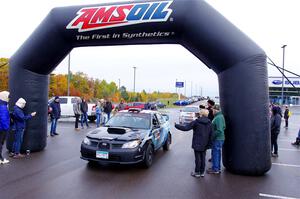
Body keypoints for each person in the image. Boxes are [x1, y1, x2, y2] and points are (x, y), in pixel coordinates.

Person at [175, 109, 213, 178]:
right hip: (205, 143)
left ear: (201, 114)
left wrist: (176, 125)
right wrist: (209, 144)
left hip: (197, 143)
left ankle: (197, 172)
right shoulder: (210, 123)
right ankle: (202, 172)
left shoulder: (196, 122)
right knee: (203, 158)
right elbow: (211, 134)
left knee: (197, 158)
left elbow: (186, 128)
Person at [207, 104, 226, 174]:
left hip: (217, 139)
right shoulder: (220, 116)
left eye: (213, 110)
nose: (212, 111)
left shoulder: (218, 118)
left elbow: (219, 130)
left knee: (216, 153)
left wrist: (212, 136)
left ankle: (215, 169)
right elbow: (224, 127)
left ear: (215, 110)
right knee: (217, 153)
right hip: (220, 138)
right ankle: (217, 167)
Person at [0, 91, 10, 164]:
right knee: (0, 143)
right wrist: (7, 128)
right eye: (8, 97)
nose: (9, 98)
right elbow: (3, 119)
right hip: (2, 129)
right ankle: (1, 159)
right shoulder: (3, 107)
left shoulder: (2, 105)